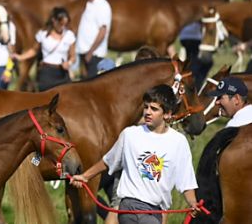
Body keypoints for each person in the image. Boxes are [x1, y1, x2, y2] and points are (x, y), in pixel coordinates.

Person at [70, 85, 201, 221]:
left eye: (154, 109)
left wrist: (192, 202)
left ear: (167, 114)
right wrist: (85, 176)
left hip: (154, 210)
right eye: (146, 107)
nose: (148, 112)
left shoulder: (178, 141)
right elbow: (108, 161)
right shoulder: (130, 134)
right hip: (128, 207)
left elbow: (186, 180)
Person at [13, 7, 76, 91]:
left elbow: (73, 56)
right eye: (61, 24)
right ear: (54, 21)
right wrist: (20, 57)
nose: (62, 27)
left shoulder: (69, 35)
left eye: (65, 24)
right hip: (47, 72)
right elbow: (34, 50)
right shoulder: (43, 34)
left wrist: (69, 63)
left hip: (62, 72)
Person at [178, 0, 210, 91]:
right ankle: (194, 88)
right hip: (195, 36)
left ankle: (191, 85)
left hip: (184, 35)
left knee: (190, 61)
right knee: (199, 64)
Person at [76, 0, 112, 79]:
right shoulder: (91, 4)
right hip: (86, 53)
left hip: (93, 55)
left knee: (91, 84)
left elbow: (102, 31)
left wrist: (90, 52)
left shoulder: (102, 6)